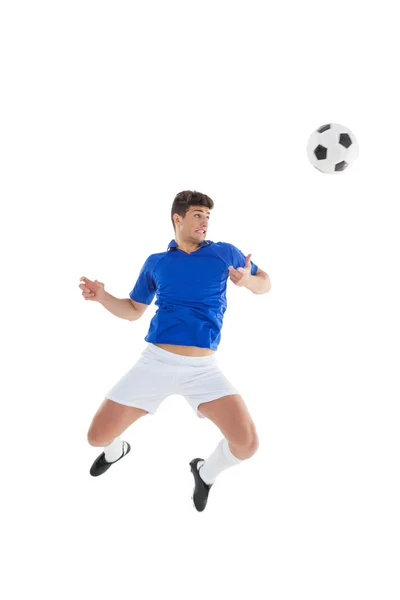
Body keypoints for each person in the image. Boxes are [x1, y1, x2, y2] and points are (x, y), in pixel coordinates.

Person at [79, 190, 271, 511]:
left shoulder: (225, 253)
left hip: (203, 370)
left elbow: (265, 282)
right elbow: (132, 309)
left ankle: (205, 471)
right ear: (177, 219)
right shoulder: (157, 262)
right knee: (96, 438)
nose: (205, 222)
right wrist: (102, 297)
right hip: (155, 363)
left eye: (208, 216)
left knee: (247, 444)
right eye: (198, 214)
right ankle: (116, 451)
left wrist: (248, 281)